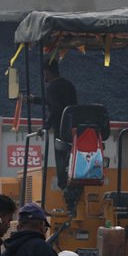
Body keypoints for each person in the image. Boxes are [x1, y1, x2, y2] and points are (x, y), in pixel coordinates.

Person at [44, 58, 79, 191]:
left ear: (47, 72)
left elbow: (56, 108)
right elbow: (59, 102)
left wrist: (46, 126)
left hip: (61, 129)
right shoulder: (68, 85)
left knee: (61, 156)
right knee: (71, 156)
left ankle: (63, 185)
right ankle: (73, 181)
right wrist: (34, 99)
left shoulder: (51, 87)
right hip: (74, 127)